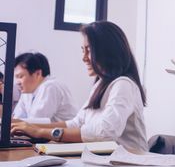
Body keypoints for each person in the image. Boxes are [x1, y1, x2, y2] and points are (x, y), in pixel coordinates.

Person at [11, 21, 148, 152]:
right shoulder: (100, 84)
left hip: (130, 163)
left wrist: (39, 131)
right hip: (107, 159)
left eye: (88, 50)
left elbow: (105, 132)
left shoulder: (123, 84)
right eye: (83, 50)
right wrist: (29, 127)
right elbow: (76, 123)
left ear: (108, 51)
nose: (84, 58)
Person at [12, 52, 77, 123]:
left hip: (63, 133)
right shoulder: (27, 92)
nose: (17, 82)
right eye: (16, 77)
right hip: (45, 133)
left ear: (38, 74)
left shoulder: (50, 87)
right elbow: (16, 119)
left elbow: (35, 123)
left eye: (20, 76)